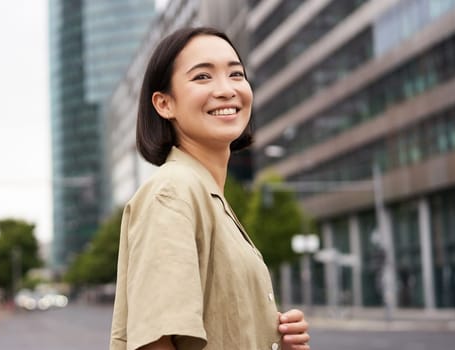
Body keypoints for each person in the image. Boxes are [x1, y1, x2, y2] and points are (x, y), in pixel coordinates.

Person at [109, 27, 311, 350]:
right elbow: (155, 343)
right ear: (164, 104)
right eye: (203, 77)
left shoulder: (209, 198)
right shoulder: (173, 192)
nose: (227, 89)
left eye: (236, 74)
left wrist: (273, 340)